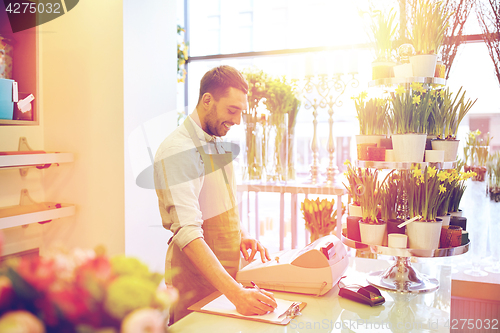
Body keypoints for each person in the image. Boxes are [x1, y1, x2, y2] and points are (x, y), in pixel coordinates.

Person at [154, 65, 277, 324]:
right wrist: (237, 294)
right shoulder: (178, 150)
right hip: (196, 282)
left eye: (241, 112)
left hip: (229, 280)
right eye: (232, 110)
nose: (237, 121)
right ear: (207, 100)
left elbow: (222, 204)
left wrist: (242, 236)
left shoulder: (218, 141)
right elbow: (187, 232)